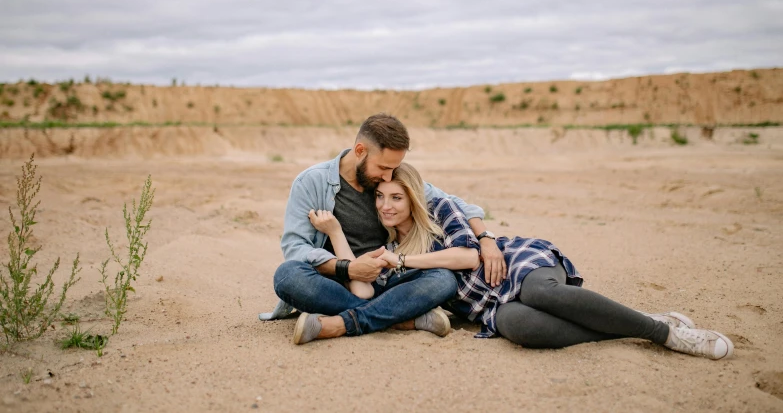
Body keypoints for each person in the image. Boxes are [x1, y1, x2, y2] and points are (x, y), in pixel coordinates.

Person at [300, 162, 734, 360]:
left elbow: (469, 254)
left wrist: (404, 259)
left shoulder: (440, 212)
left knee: (540, 293)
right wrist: (338, 234)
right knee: (523, 327)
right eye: (380, 197)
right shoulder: (382, 243)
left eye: (396, 197)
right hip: (484, 305)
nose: (386, 205)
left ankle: (665, 335)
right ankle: (633, 321)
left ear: (412, 197)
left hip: (512, 263)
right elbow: (361, 288)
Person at [260, 113, 503, 343]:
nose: (388, 177)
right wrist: (349, 269)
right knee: (288, 275)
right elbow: (295, 248)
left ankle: (347, 321)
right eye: (383, 168)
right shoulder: (311, 182)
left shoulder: (392, 175)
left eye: (393, 169)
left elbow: (459, 205)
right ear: (360, 151)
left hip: (393, 278)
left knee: (443, 280)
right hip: (340, 283)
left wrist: (485, 238)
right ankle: (403, 318)